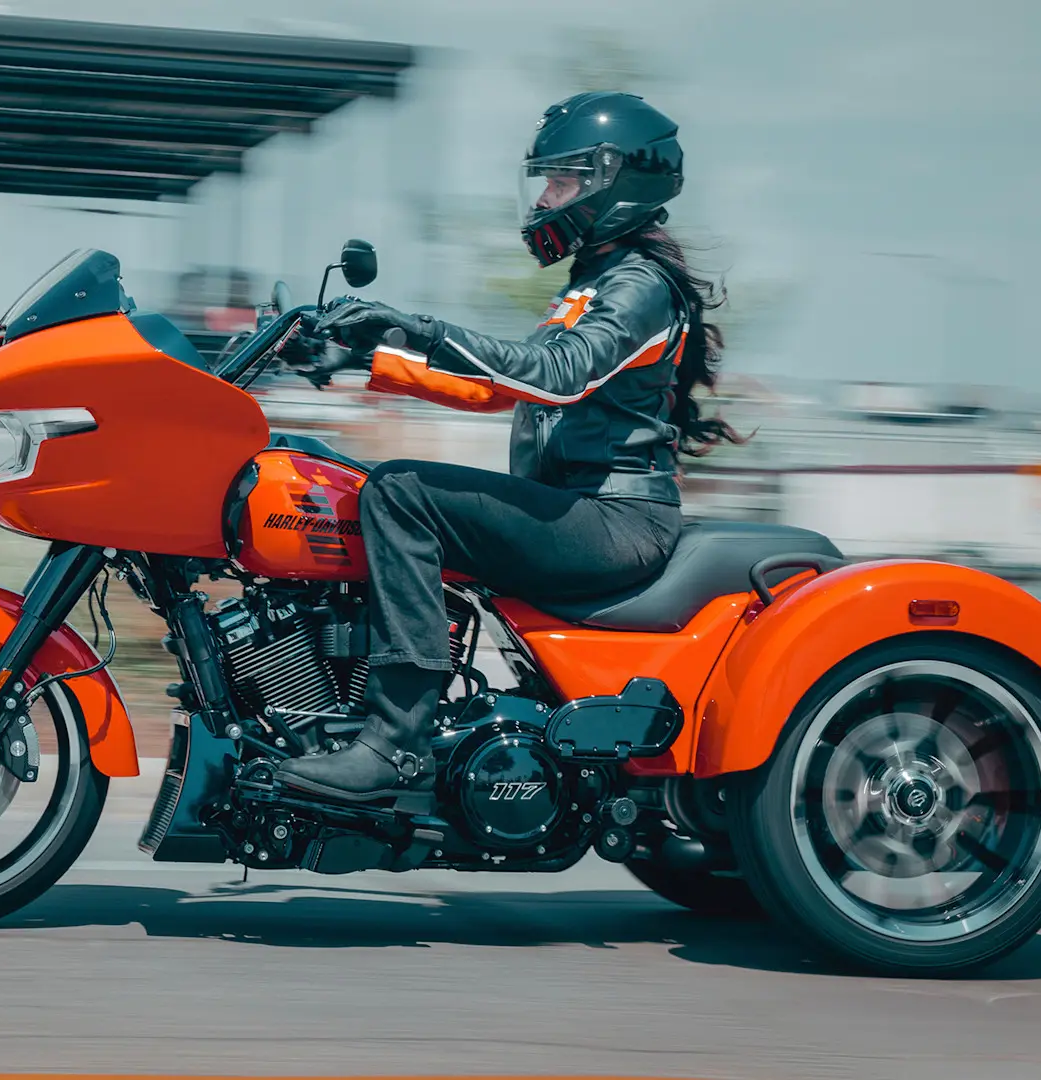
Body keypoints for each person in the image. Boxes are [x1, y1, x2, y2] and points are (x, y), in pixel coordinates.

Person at [276, 91, 740, 803]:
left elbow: (555, 376)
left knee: (401, 493)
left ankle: (393, 743)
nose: (545, 200)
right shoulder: (598, 282)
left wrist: (423, 328)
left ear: (613, 181)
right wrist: (365, 357)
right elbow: (501, 388)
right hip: (577, 509)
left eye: (561, 182)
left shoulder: (639, 287)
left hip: (613, 518)